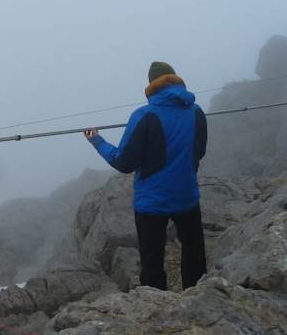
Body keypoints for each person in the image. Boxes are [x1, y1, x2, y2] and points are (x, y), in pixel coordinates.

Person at [84, 62, 207, 291]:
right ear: (176, 80)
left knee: (152, 260)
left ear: (152, 84)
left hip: (152, 203)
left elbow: (123, 162)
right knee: (194, 250)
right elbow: (198, 151)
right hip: (187, 196)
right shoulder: (196, 111)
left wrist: (96, 140)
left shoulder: (144, 116)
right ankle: (196, 294)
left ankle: (156, 306)